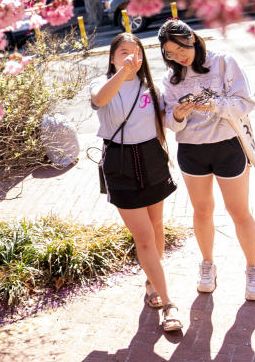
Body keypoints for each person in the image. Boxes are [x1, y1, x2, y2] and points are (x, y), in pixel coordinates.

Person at [157, 19, 255, 301]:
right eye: (170, 53)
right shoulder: (171, 80)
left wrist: (213, 104)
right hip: (192, 151)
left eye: (180, 48)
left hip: (228, 146)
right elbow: (171, 121)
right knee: (202, 210)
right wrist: (179, 114)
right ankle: (207, 265)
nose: (179, 56)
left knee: (239, 211)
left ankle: (253, 269)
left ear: (191, 39)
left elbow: (245, 103)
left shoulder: (224, 63)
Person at [89, 32, 182, 332]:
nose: (131, 57)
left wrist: (179, 115)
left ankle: (152, 284)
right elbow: (98, 100)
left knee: (156, 228)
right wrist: (122, 73)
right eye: (124, 52)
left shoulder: (150, 88)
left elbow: (163, 124)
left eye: (136, 52)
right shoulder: (103, 84)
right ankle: (169, 304)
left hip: (151, 158)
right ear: (113, 57)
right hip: (120, 163)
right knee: (143, 237)